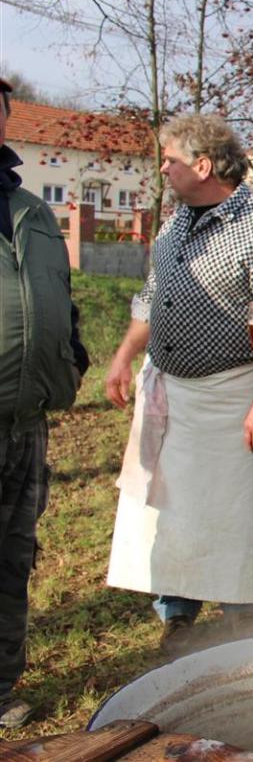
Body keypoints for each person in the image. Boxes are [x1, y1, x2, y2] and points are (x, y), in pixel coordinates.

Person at [103, 114, 253, 656]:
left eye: (170, 160)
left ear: (203, 165)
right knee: (169, 509)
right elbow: (152, 295)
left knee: (239, 516)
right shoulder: (174, 223)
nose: (163, 169)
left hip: (235, 396)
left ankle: (243, 621)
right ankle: (177, 616)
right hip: (173, 396)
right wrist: (124, 355)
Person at [0, 76, 90, 727]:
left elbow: (57, 294)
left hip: (26, 421)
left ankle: (1, 689)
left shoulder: (32, 210)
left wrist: (73, 353)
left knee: (13, 558)